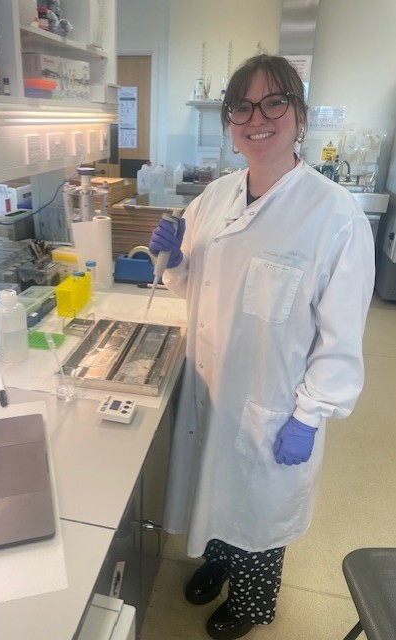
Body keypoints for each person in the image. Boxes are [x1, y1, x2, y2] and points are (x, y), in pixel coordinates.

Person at [148, 53, 375, 640]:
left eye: (274, 102)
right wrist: (173, 263)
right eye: (241, 107)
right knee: (214, 489)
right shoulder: (216, 197)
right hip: (211, 388)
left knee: (258, 506)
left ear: (299, 116)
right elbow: (195, 282)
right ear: (230, 121)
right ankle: (217, 563)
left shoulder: (335, 215)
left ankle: (251, 603)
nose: (258, 118)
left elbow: (342, 334)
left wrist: (310, 412)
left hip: (273, 402)